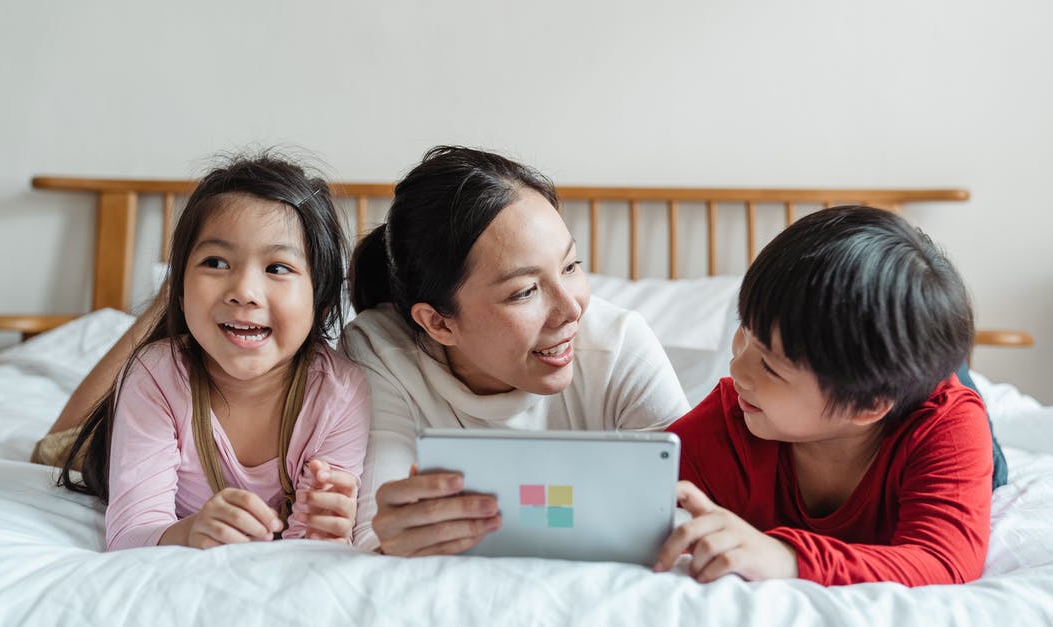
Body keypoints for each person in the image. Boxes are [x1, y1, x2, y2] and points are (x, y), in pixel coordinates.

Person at [343, 146, 690, 555]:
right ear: (438, 322)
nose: (571, 309)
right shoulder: (383, 353)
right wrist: (393, 537)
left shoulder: (620, 347)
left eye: (571, 266)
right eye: (525, 292)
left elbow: (696, 511)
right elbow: (374, 533)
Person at [654, 206, 992, 587]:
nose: (737, 370)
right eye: (744, 330)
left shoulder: (944, 425)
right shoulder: (725, 424)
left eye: (769, 366)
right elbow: (622, 492)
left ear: (866, 404)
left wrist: (788, 557)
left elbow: (941, 561)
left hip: (915, 409)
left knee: (978, 440)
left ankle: (948, 370)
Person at [55, 153, 372, 550]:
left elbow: (308, 546)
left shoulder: (341, 392)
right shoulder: (156, 374)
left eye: (277, 268)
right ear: (182, 286)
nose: (244, 291)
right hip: (104, 443)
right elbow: (131, 535)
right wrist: (187, 533)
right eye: (216, 262)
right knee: (57, 448)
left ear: (322, 302)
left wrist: (325, 529)